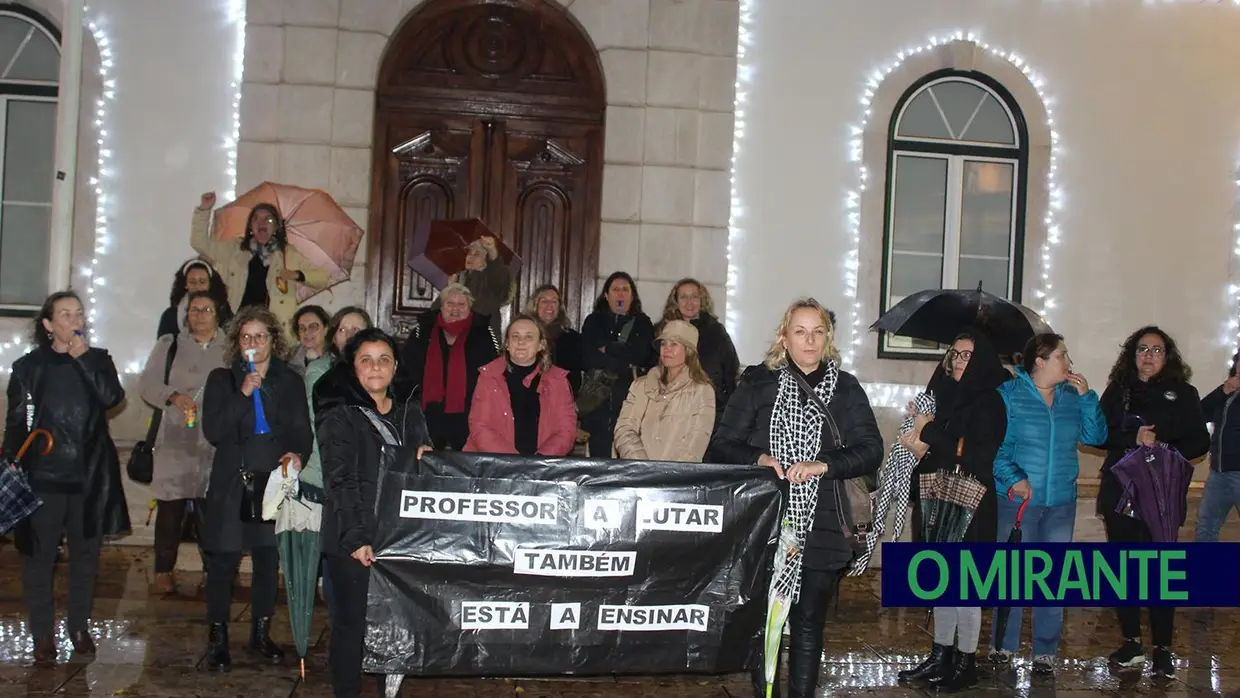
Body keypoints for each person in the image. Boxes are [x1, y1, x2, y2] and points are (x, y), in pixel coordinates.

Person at [707, 298, 883, 698]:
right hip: (767, 521)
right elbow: (721, 445)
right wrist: (760, 458)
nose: (810, 340)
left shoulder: (846, 388)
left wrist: (824, 464)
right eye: (800, 331)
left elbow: (871, 449)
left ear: (828, 338)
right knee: (766, 622)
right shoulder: (758, 382)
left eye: (817, 332)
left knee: (807, 624)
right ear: (784, 338)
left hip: (822, 522)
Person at [4, 291, 129, 664]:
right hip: (44, 474)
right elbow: (15, 423)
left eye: (78, 313)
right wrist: (12, 460)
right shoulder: (28, 367)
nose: (73, 320)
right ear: (47, 325)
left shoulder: (98, 360)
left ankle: (78, 626)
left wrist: (85, 360)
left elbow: (112, 398)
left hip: (88, 474)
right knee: (39, 558)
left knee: (86, 556)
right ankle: (42, 634)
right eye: (64, 314)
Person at [319, 328, 433, 697]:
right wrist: (357, 538)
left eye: (384, 359)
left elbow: (425, 466)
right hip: (353, 538)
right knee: (351, 627)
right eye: (365, 360)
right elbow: (341, 480)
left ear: (395, 366)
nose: (375, 367)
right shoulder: (341, 417)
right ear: (352, 368)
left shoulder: (408, 414)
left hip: (397, 537)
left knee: (398, 623)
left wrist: (426, 458)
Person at [200, 306, 312, 671]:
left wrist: (298, 453)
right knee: (224, 561)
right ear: (237, 342)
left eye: (260, 336)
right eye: (246, 337)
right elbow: (215, 431)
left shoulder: (290, 380)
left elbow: (300, 430)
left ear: (272, 340)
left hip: (273, 479)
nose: (253, 343)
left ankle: (261, 633)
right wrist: (242, 395)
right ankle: (217, 638)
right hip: (233, 480)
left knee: (267, 559)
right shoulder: (222, 380)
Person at [897, 330, 1008, 690]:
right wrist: (921, 433)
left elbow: (977, 454)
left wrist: (928, 430)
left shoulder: (990, 402)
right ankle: (940, 654)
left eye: (968, 356)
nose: (960, 362)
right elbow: (941, 451)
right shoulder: (944, 397)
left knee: (966, 588)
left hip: (972, 503)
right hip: (940, 497)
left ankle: (966, 662)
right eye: (956, 355)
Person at [990, 332, 1107, 675]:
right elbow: (995, 450)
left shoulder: (1072, 397)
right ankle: (1003, 645)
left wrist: (1088, 399)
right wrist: (1015, 479)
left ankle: (1045, 650)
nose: (1069, 363)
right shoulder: (1009, 396)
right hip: (1018, 503)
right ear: (1040, 361)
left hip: (1060, 503)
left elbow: (1096, 437)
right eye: (1062, 356)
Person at [1098, 327, 1208, 677]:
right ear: (1133, 355)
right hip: (1120, 493)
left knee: (1161, 574)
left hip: (1162, 494)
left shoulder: (1185, 393)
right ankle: (1131, 642)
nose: (1148, 355)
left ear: (1168, 356)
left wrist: (1164, 450)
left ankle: (1162, 648)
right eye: (1142, 349)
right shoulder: (1118, 392)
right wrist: (1133, 438)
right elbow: (1098, 434)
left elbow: (1199, 442)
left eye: (1157, 350)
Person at [138, 291, 227, 595]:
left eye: (206, 309)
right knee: (170, 508)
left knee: (211, 510)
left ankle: (213, 570)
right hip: (176, 438)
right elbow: (147, 385)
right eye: (193, 310)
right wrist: (173, 397)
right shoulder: (170, 345)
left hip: (215, 440)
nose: (198, 314)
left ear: (218, 313)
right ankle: (163, 569)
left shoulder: (232, 348)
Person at [190, 191, 331, 328]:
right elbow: (200, 243)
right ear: (250, 226)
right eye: (256, 218)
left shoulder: (288, 255)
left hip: (272, 331)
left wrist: (297, 274)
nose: (261, 223)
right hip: (235, 327)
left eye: (268, 219)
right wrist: (204, 210)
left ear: (276, 227)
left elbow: (324, 278)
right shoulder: (234, 249)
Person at [401, 283, 499, 450]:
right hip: (428, 413)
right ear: (441, 306)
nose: (455, 309)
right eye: (450, 303)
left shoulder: (483, 332)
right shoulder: (422, 331)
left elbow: (494, 371)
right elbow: (407, 368)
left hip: (470, 413)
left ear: (470, 307)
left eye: (461, 304)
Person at [464, 315, 577, 456]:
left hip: (542, 468)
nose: (521, 342)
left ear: (541, 345)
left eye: (529, 337)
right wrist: (514, 462)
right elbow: (480, 426)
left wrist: (539, 462)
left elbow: (566, 430)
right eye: (515, 336)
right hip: (494, 465)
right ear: (507, 344)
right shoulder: (488, 376)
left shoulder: (558, 380)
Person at [613, 320, 716, 462]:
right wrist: (642, 466)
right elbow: (624, 429)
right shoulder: (640, 386)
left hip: (676, 480)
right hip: (637, 475)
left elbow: (696, 443)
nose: (666, 349)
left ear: (689, 351)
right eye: (663, 343)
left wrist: (667, 475)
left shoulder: (703, 392)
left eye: (674, 344)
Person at [578, 272, 654, 457]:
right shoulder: (593, 321)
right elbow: (588, 358)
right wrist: (624, 361)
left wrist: (609, 348)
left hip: (630, 404)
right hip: (598, 405)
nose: (620, 294)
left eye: (625, 290)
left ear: (632, 295)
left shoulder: (642, 323)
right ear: (606, 295)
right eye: (615, 289)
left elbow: (643, 355)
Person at [655, 278, 740, 429]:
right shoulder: (663, 330)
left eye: (694, 296)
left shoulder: (716, 331)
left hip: (710, 411)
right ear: (675, 301)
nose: (689, 302)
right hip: (671, 410)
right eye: (684, 297)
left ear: (702, 300)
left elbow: (731, 370)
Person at [1198, 352, 1240, 542]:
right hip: (1218, 472)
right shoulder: (1228, 390)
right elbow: (1199, 413)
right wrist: (1223, 390)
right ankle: (1204, 570)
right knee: (1206, 526)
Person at [526, 284, 583, 395]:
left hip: (562, 400)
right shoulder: (525, 334)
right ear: (535, 305)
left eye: (554, 301)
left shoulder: (572, 338)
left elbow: (576, 376)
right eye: (544, 301)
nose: (549, 306)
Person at [156, 257, 233, 338]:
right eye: (192, 282)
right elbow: (163, 348)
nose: (197, 286)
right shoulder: (170, 317)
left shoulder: (224, 313)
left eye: (202, 282)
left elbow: (233, 343)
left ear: (210, 284)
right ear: (185, 284)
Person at [287, 305, 330, 375]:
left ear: (325, 330)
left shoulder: (336, 360)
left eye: (313, 327)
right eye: (302, 328)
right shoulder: (287, 357)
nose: (307, 332)